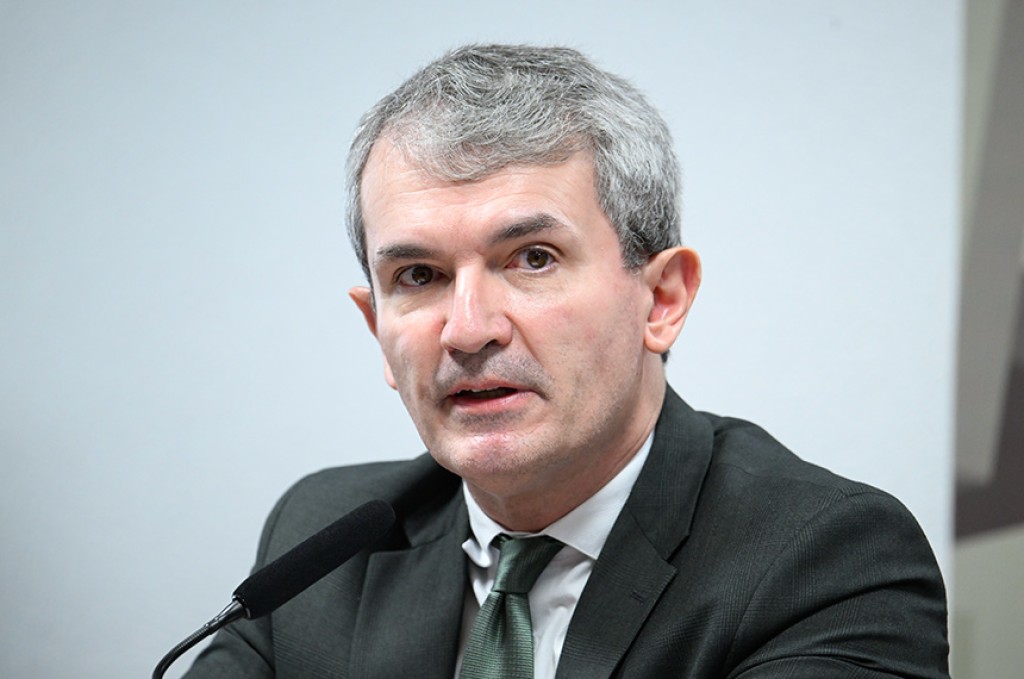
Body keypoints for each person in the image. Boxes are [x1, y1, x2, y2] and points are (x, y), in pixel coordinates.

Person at [184, 44, 949, 678]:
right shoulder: (319, 543)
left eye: (533, 258)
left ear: (662, 299)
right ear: (376, 328)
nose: (468, 330)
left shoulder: (824, 560)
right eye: (418, 275)